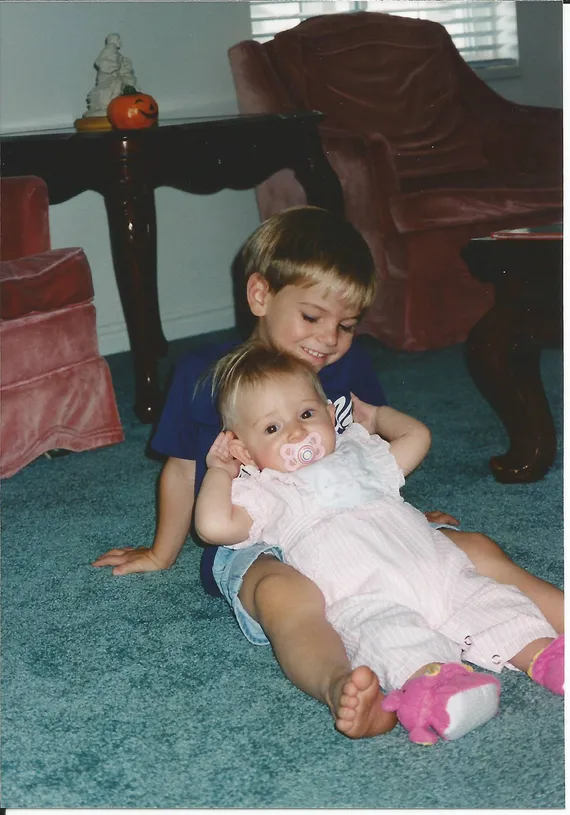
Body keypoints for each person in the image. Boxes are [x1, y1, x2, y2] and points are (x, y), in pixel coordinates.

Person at [92, 206, 564, 739]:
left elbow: (371, 445)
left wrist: (401, 517)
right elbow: (182, 472)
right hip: (256, 533)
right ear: (260, 295)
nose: (329, 339)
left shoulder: (345, 367)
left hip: (358, 522)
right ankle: (342, 685)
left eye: (346, 325)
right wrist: (161, 553)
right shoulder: (204, 375)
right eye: (312, 317)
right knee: (287, 596)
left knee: (473, 548)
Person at [194, 341, 563, 744]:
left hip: (438, 570)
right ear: (245, 451)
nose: (297, 431)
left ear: (330, 414)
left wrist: (376, 416)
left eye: (306, 414)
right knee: (391, 641)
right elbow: (212, 527)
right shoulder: (265, 490)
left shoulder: (360, 453)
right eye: (272, 428)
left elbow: (417, 436)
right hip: (363, 598)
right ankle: (440, 690)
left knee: (496, 605)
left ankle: (548, 655)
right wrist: (220, 470)